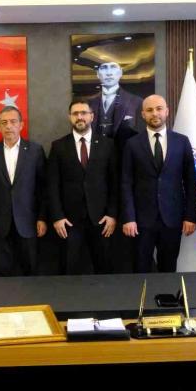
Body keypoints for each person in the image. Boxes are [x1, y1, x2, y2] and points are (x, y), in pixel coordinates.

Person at [121, 95, 196, 273]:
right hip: (141, 221)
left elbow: (191, 182)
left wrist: (191, 216)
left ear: (167, 111)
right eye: (149, 110)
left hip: (172, 218)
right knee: (141, 268)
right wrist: (129, 217)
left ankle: (167, 293)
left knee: (168, 269)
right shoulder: (132, 144)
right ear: (143, 114)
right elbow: (126, 183)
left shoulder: (182, 141)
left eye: (159, 109)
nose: (155, 113)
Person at [47, 100, 118, 274]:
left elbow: (114, 182)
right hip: (69, 222)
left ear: (92, 116)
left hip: (101, 220)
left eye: (84, 113)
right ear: (70, 117)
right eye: (75, 113)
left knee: (104, 269)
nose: (80, 117)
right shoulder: (58, 146)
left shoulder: (107, 145)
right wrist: (57, 217)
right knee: (69, 269)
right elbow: (52, 185)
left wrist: (112, 214)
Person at [0, 106, 47, 276]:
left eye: (13, 122)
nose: (8, 126)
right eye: (4, 123)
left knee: (30, 271)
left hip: (28, 222)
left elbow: (43, 188)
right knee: (2, 274)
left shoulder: (35, 151)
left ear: (21, 125)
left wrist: (42, 217)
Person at [87, 61, 143, 147]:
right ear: (98, 74)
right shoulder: (89, 103)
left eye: (113, 67)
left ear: (120, 73)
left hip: (125, 153)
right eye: (104, 68)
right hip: (96, 153)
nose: (109, 73)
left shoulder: (136, 102)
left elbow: (140, 134)